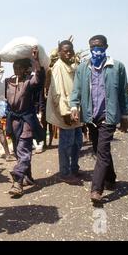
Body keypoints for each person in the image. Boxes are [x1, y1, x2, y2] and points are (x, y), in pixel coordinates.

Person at [70, 35, 128, 204]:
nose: (97, 50)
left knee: (102, 152)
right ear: (89, 48)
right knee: (98, 150)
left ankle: (97, 189)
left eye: (100, 46)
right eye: (93, 47)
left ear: (106, 47)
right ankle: (110, 177)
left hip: (108, 117)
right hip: (91, 117)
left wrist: (124, 116)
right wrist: (74, 106)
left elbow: (123, 93)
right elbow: (77, 89)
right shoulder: (83, 68)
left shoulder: (117, 67)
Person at [5, 47, 45, 197]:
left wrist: (36, 60)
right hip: (13, 122)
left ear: (26, 69)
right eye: (15, 67)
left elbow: (39, 78)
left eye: (20, 67)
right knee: (18, 151)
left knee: (24, 151)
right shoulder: (8, 82)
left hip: (26, 121)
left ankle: (17, 182)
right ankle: (28, 177)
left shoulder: (29, 82)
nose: (16, 69)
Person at [46, 41, 82, 184]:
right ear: (59, 52)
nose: (68, 53)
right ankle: (65, 172)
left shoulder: (72, 67)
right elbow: (57, 93)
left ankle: (74, 168)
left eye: (70, 50)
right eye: (65, 51)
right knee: (66, 144)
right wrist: (64, 113)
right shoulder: (58, 68)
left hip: (75, 111)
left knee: (77, 143)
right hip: (66, 112)